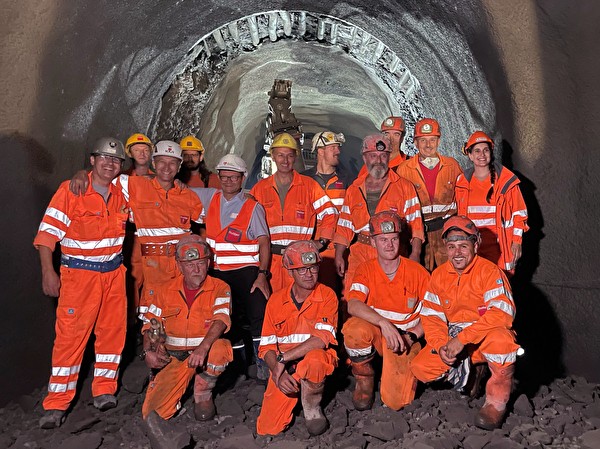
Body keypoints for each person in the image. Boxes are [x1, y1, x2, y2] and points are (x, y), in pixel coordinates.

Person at [34, 137, 129, 429]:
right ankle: (56, 403)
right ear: (91, 160)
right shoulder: (70, 190)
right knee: (70, 339)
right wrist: (48, 273)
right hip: (79, 276)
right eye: (103, 158)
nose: (109, 163)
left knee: (112, 334)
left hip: (113, 274)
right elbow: (47, 235)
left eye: (114, 160)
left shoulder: (122, 192)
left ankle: (104, 389)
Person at [411, 216, 521, 430]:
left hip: (482, 340)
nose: (457, 252)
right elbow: (431, 316)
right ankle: (471, 374)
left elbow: (503, 314)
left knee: (502, 343)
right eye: (451, 247)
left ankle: (495, 404)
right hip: (454, 341)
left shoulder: (490, 272)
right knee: (420, 368)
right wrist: (441, 345)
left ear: (476, 245)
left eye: (463, 245)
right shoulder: (439, 275)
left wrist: (462, 339)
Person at [70, 140, 205, 312]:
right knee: (153, 321)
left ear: (179, 167)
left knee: (184, 315)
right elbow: (103, 176)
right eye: (162, 161)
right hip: (153, 267)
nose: (166, 167)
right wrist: (82, 173)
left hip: (182, 265)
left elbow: (207, 217)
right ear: (154, 163)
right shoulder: (134, 185)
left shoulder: (188, 195)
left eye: (172, 163)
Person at [189, 154, 271, 382]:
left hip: (246, 272)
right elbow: (178, 189)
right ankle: (238, 367)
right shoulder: (210, 198)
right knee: (227, 320)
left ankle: (262, 363)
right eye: (224, 177)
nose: (228, 182)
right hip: (218, 273)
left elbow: (264, 241)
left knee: (257, 316)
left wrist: (262, 275)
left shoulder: (252, 207)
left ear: (242, 178)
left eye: (233, 178)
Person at [343, 211, 430, 411]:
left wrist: (411, 336)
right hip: (378, 333)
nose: (389, 245)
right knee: (354, 330)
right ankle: (365, 378)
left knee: (396, 403)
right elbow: (353, 304)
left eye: (393, 239)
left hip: (404, 341)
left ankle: (395, 379)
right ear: (373, 243)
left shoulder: (417, 273)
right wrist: (384, 324)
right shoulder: (366, 269)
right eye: (383, 240)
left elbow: (435, 313)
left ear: (400, 240)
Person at [140, 235, 233, 422]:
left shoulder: (220, 288)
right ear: (179, 266)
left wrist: (203, 348)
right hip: (174, 357)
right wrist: (148, 351)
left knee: (221, 348)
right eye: (190, 265)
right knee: (152, 415)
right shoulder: (164, 290)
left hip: (203, 354)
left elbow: (221, 320)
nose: (196, 269)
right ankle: (174, 389)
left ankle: (202, 389)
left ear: (209, 263)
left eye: (200, 263)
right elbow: (153, 324)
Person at [256, 241, 338, 436]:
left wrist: (283, 359)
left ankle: (312, 408)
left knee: (316, 360)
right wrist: (278, 371)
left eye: (313, 268)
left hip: (310, 361)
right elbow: (266, 347)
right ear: (290, 272)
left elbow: (321, 338)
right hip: (284, 367)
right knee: (267, 429)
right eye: (301, 270)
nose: (309, 274)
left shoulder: (327, 295)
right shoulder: (276, 301)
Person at [334, 133, 424, 299]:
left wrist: (415, 253)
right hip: (360, 252)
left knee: (390, 297)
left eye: (383, 155)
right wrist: (339, 254)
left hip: (392, 251)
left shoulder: (404, 187)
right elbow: (345, 224)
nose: (379, 160)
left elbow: (416, 223)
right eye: (373, 155)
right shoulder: (354, 189)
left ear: (389, 157)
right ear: (365, 158)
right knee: (353, 297)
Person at [250, 132, 338, 292]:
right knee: (274, 307)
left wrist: (322, 241)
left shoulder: (309, 186)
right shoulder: (260, 189)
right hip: (271, 261)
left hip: (300, 263)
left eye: (289, 156)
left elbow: (330, 213)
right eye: (280, 155)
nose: (285, 160)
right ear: (273, 156)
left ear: (295, 157)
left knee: (301, 306)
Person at [455, 131, 528, 274]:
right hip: (472, 245)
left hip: (499, 246)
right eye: (477, 151)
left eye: (485, 150)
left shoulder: (506, 180)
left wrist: (517, 241)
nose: (481, 155)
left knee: (499, 288)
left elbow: (519, 213)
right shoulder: (461, 182)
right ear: (469, 155)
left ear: (491, 152)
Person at [396, 118, 463, 271]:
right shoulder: (404, 170)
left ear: (438, 141)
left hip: (447, 233)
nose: (428, 145)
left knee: (450, 275)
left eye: (432, 140)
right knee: (421, 278)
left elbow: (463, 200)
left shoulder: (451, 166)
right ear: (415, 142)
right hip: (418, 235)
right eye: (423, 140)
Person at [302, 130, 351, 293]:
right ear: (320, 151)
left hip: (339, 248)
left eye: (338, 147)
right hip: (312, 248)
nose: (338, 151)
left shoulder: (347, 180)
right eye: (333, 147)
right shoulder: (303, 181)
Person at [122, 133, 154, 314]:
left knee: (153, 281)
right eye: (137, 150)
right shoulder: (120, 179)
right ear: (130, 153)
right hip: (130, 238)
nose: (141, 153)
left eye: (145, 150)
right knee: (132, 279)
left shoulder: (160, 180)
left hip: (152, 238)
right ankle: (131, 321)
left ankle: (149, 325)